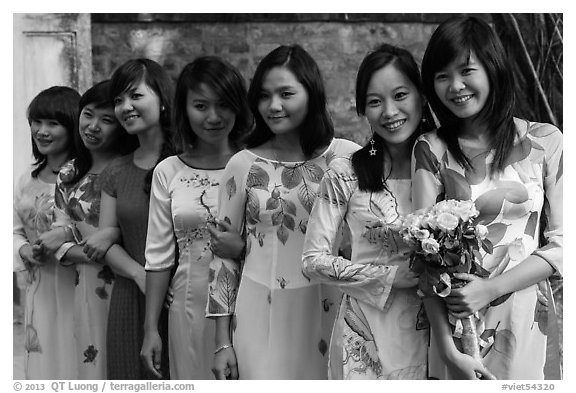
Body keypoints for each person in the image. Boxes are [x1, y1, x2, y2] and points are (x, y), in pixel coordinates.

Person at [414, 15, 563, 380]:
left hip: (527, 316)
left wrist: (491, 288)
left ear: (493, 69)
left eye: (467, 71)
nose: (455, 86)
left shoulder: (546, 141)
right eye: (442, 75)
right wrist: (449, 353)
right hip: (458, 323)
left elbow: (564, 242)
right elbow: (420, 255)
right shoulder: (430, 150)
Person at [207, 44, 359, 380]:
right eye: (264, 96)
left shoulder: (346, 158)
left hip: (329, 306)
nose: (273, 106)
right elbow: (222, 258)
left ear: (312, 93)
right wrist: (221, 343)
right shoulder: (242, 165)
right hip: (257, 305)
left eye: (286, 93)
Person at [301, 43, 434, 380]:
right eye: (375, 102)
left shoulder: (447, 168)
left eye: (400, 95)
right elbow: (312, 261)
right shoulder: (345, 173)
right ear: (363, 109)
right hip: (366, 336)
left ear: (421, 96)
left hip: (436, 333)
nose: (389, 111)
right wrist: (389, 277)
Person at [141, 56, 251, 379]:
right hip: (189, 308)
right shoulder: (169, 171)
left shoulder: (255, 165)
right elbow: (158, 257)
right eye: (201, 106)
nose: (213, 117)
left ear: (238, 107)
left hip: (253, 301)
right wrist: (151, 329)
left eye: (223, 105)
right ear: (184, 110)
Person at [84, 58, 175, 379]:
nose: (125, 107)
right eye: (119, 100)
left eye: (136, 96)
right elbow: (104, 239)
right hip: (129, 296)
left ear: (163, 100)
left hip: (181, 296)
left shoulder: (185, 163)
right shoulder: (116, 170)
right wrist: (140, 276)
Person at [47, 80, 138, 379]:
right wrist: (88, 250)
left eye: (107, 119)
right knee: (91, 366)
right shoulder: (69, 173)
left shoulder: (131, 171)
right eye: (88, 114)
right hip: (86, 287)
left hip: (129, 284)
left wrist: (78, 243)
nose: (93, 126)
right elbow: (57, 237)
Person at [13, 86, 80, 379]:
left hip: (79, 287)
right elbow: (12, 230)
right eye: (37, 122)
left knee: (77, 360)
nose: (41, 130)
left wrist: (64, 235)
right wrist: (24, 250)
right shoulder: (25, 179)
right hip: (37, 288)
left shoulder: (87, 178)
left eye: (53, 123)